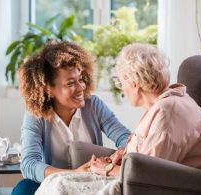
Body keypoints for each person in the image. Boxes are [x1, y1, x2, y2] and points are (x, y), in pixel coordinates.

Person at [34, 43, 201, 195]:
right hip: (150, 182)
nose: (122, 89)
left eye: (121, 83)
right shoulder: (165, 105)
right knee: (56, 181)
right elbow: (147, 160)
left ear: (135, 84)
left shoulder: (168, 112)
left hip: (178, 188)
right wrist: (123, 154)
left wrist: (106, 169)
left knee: (59, 186)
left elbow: (147, 175)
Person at [11, 41, 131, 195]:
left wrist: (115, 157)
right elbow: (30, 164)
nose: (81, 87)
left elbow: (125, 138)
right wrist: (73, 173)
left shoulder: (93, 105)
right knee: (24, 188)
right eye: (70, 83)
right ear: (49, 89)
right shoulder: (36, 114)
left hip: (91, 182)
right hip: (53, 184)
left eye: (80, 79)